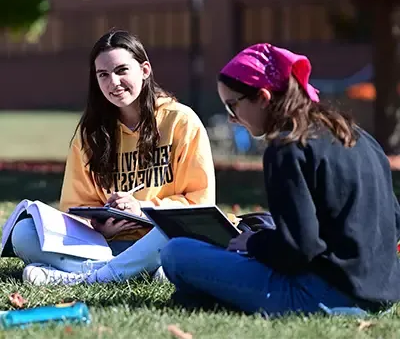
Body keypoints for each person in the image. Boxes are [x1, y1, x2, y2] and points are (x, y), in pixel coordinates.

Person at [160, 43, 400, 317]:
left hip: (323, 296)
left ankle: (204, 294)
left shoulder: (287, 147)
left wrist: (253, 244)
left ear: (263, 97)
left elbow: (299, 250)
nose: (232, 119)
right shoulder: (357, 136)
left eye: (233, 106)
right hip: (382, 294)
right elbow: (394, 219)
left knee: (176, 253)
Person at [11, 29, 215, 285]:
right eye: (103, 75)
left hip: (160, 238)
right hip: (106, 244)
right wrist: (97, 226)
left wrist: (142, 210)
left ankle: (84, 277)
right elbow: (75, 208)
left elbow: (201, 205)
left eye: (121, 71)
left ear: (145, 70)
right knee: (24, 233)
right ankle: (132, 271)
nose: (113, 82)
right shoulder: (91, 133)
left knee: (171, 240)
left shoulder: (181, 122)